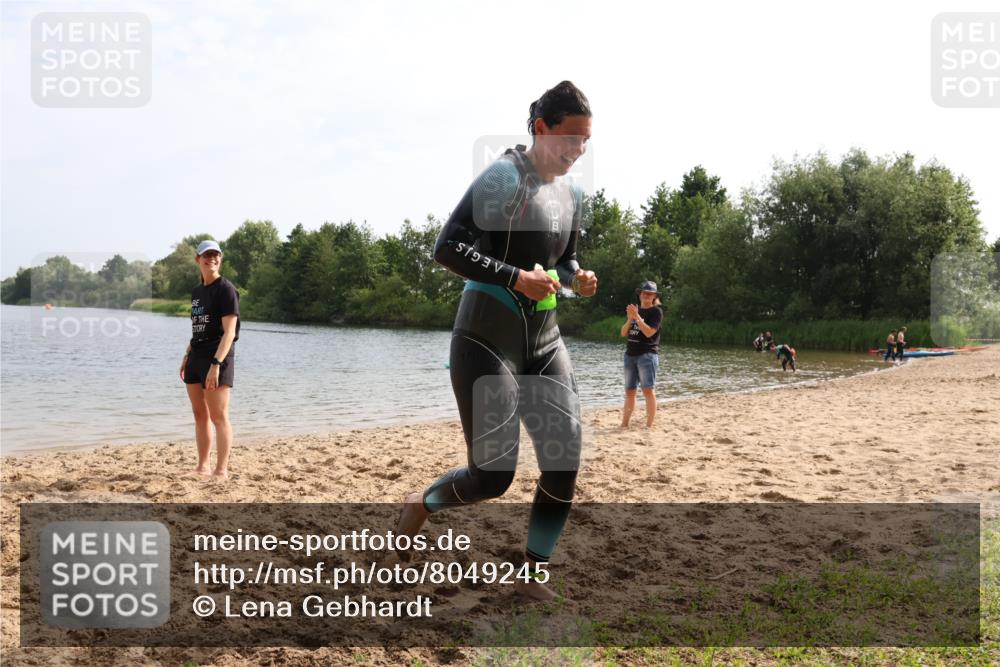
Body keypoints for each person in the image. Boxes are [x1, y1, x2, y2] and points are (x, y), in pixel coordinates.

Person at [394, 81, 597, 601]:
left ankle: (532, 575)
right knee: (492, 477)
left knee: (563, 457)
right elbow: (448, 246)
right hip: (487, 335)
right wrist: (515, 279)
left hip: (545, 339)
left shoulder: (570, 194)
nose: (577, 151)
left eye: (586, 142)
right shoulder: (504, 177)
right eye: (570, 139)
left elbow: (563, 260)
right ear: (540, 128)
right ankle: (420, 504)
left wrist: (577, 278)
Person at [180, 240, 240, 479]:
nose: (211, 259)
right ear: (198, 260)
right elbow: (198, 329)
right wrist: (187, 355)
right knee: (199, 414)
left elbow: (230, 333)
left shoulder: (226, 289)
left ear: (220, 259)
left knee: (218, 416)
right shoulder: (197, 292)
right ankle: (202, 466)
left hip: (217, 357)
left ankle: (221, 470)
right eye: (207, 255)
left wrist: (216, 365)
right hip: (196, 356)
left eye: (216, 255)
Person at [620, 281, 663, 428]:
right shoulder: (635, 311)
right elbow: (623, 332)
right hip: (630, 355)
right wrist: (630, 319)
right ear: (640, 294)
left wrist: (637, 317)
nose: (646, 295)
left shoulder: (656, 312)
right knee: (630, 391)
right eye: (644, 292)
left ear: (654, 296)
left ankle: (649, 426)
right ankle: (624, 424)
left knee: (648, 390)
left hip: (647, 355)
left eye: (649, 293)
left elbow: (649, 332)